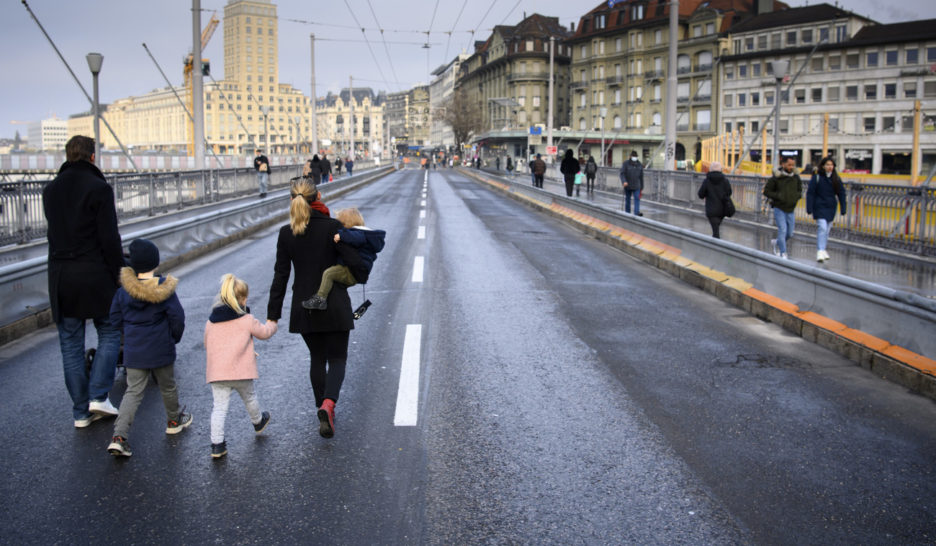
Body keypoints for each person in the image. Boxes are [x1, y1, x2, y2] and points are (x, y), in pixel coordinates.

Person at [267, 179, 365, 438]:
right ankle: (328, 405)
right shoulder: (333, 227)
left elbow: (280, 276)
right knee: (337, 359)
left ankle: (321, 408)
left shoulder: (286, 233)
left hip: (304, 308)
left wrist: (272, 315)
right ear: (319, 196)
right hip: (334, 306)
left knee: (317, 359)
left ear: (291, 200)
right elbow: (356, 263)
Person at [42, 135, 123, 428]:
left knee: (70, 344)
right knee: (111, 331)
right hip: (95, 274)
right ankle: (99, 395)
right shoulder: (100, 189)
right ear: (92, 157)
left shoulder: (49, 190)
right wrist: (120, 273)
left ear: (67, 155)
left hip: (61, 277)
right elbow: (109, 239)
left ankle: (80, 412)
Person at [106, 239, 191, 458]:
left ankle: (119, 437)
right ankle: (173, 421)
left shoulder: (123, 292)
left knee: (133, 391)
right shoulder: (165, 289)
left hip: (134, 350)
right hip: (161, 348)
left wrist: (130, 332)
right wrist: (174, 338)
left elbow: (114, 319)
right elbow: (177, 318)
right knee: (168, 386)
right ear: (155, 263)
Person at [204, 274, 277, 459]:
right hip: (241, 372)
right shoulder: (246, 319)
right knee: (250, 398)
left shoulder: (211, 322)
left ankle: (217, 445)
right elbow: (264, 333)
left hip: (218, 373)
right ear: (242, 299)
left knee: (219, 408)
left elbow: (207, 344)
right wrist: (272, 323)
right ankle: (258, 422)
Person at [302, 207, 386, 311]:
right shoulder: (365, 234)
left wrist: (341, 235)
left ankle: (320, 299)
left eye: (341, 224)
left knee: (329, 273)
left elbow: (355, 237)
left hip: (350, 272)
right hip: (356, 272)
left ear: (347, 223)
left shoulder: (358, 233)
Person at [806, 156, 847, 262]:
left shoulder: (836, 179)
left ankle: (823, 249)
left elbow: (841, 193)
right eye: (827, 165)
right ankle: (820, 250)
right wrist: (809, 207)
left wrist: (843, 207)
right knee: (822, 228)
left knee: (827, 230)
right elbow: (810, 193)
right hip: (819, 206)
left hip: (831, 207)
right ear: (823, 166)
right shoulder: (817, 178)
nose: (830, 167)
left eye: (831, 165)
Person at [764, 156, 804, 259]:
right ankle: (783, 252)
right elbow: (767, 191)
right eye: (789, 164)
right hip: (779, 207)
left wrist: (796, 196)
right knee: (782, 230)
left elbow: (800, 189)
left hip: (791, 209)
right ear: (783, 164)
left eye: (793, 165)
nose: (791, 167)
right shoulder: (776, 177)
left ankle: (777, 242)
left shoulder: (795, 177)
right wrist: (779, 196)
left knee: (790, 233)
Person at [697, 161, 733, 239]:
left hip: (711, 209)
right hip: (722, 210)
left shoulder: (707, 181)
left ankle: (716, 245)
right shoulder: (725, 181)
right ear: (721, 169)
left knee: (715, 230)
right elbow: (729, 192)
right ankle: (716, 241)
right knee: (716, 228)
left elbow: (700, 194)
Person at [620, 151, 644, 216]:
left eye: (635, 156)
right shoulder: (626, 164)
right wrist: (624, 181)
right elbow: (622, 173)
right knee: (628, 199)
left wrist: (641, 187)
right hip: (628, 185)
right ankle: (627, 214)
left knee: (637, 198)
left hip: (637, 185)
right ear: (630, 156)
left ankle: (636, 213)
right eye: (633, 156)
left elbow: (641, 176)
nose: (634, 157)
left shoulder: (639, 165)